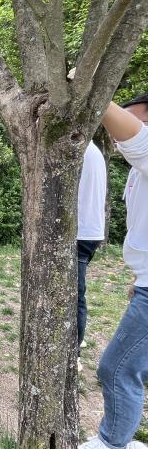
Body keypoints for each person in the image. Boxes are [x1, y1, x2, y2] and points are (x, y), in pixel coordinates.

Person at [80, 95, 148, 449]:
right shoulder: (137, 172)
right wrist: (140, 276)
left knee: (117, 368)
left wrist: (94, 91)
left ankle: (112, 442)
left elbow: (139, 142)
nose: (120, 132)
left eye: (136, 120)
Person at [76, 141, 107, 371]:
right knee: (75, 293)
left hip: (80, 232)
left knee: (74, 295)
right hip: (90, 231)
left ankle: (73, 351)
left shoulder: (78, 150)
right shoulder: (93, 150)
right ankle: (77, 338)